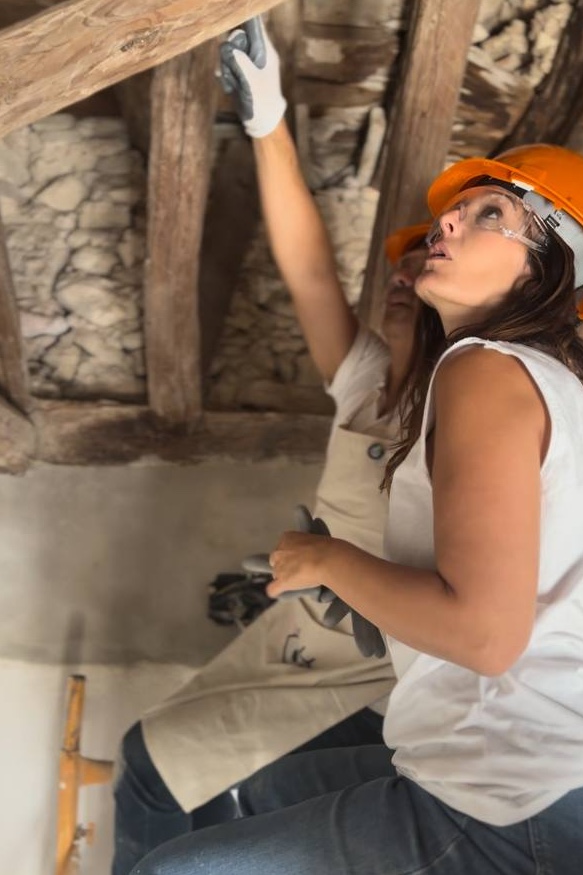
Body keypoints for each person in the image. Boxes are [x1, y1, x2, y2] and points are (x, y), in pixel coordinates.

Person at [129, 17, 583, 875]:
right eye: (424, 243)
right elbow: (309, 271)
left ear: (553, 266)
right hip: (488, 755)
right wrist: (267, 125)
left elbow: (486, 636)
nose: (426, 251)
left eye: (485, 214)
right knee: (219, 787)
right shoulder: (462, 389)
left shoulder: (484, 373)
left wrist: (328, 560)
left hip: (495, 774)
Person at [112, 28, 431, 875]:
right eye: (397, 269)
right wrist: (267, 122)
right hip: (299, 632)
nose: (401, 275)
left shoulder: (467, 409)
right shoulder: (368, 382)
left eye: (421, 270)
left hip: (371, 672)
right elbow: (313, 276)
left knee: (168, 777)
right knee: (151, 761)